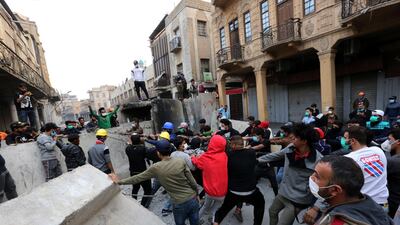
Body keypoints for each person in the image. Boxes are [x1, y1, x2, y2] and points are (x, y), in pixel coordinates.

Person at [110, 139, 200, 225]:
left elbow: (138, 178)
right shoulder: (180, 161)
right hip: (192, 198)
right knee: (195, 221)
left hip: (179, 203)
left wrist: (119, 181)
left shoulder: (156, 167)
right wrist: (197, 194)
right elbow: (192, 181)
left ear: (158, 153)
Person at [258, 123, 323, 225]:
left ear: (304, 141)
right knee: (272, 211)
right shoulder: (291, 148)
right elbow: (276, 155)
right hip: (283, 193)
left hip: (297, 200)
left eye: (296, 137)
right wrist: (256, 160)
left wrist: (316, 208)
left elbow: (324, 188)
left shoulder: (318, 161)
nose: (292, 139)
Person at [309, 155, 392, 225]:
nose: (311, 178)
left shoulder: (336, 222)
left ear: (335, 190)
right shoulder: (373, 208)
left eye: (317, 177)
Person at [214, 136, 265, 225]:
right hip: (250, 191)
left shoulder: (228, 156)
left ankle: (216, 223)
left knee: (222, 211)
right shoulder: (251, 153)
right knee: (260, 205)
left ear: (233, 145)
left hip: (233, 191)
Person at [343, 126, 389, 210]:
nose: (343, 140)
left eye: (345, 138)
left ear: (353, 141)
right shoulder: (378, 151)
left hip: (363, 206)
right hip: (382, 204)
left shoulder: (348, 159)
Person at [192, 135, 228, 224]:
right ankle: (212, 219)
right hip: (222, 192)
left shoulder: (205, 157)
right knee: (216, 208)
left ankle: (195, 221)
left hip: (210, 191)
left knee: (205, 207)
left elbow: (197, 163)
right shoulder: (224, 156)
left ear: (211, 144)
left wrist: (192, 157)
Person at [125, 134, 151, 207]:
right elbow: (147, 155)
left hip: (133, 172)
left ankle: (135, 204)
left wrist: (130, 144)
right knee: (148, 190)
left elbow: (130, 146)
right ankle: (143, 205)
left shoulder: (128, 149)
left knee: (135, 188)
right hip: (143, 173)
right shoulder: (143, 148)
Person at [387, 128, 400, 218]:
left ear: (398, 142)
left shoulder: (392, 161)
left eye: (389, 140)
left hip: (394, 203)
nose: (387, 142)